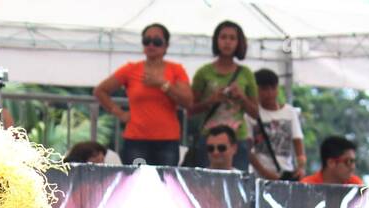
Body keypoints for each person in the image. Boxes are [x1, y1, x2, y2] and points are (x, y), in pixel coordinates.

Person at [94, 23, 192, 168]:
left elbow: (188, 101)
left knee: (164, 185)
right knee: (136, 183)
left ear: (166, 46)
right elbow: (100, 91)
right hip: (136, 139)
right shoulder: (130, 69)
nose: (151, 45)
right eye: (147, 41)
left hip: (167, 140)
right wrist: (119, 113)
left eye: (157, 42)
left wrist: (163, 84)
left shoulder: (176, 70)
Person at [190, 21, 258, 171]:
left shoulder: (246, 73)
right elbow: (190, 109)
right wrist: (211, 100)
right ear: (216, 41)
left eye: (232, 38)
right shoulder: (204, 72)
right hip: (209, 140)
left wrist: (242, 97)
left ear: (239, 43)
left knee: (238, 185)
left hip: (238, 139)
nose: (227, 42)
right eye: (223, 37)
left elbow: (256, 113)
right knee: (205, 185)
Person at [248, 69, 305, 182]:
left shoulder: (290, 112)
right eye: (264, 89)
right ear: (256, 90)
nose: (269, 93)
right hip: (260, 177)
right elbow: (248, 150)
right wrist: (264, 172)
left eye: (273, 88)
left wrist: (301, 167)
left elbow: (298, 143)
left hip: (286, 172)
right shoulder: (251, 114)